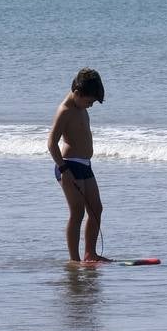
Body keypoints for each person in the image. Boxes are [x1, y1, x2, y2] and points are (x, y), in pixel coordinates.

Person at [48, 68, 109, 264]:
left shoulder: (80, 107)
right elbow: (51, 143)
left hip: (85, 165)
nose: (90, 106)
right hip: (69, 166)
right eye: (89, 101)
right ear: (76, 92)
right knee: (78, 211)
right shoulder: (65, 111)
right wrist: (64, 170)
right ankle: (75, 260)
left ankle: (90, 253)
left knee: (96, 208)